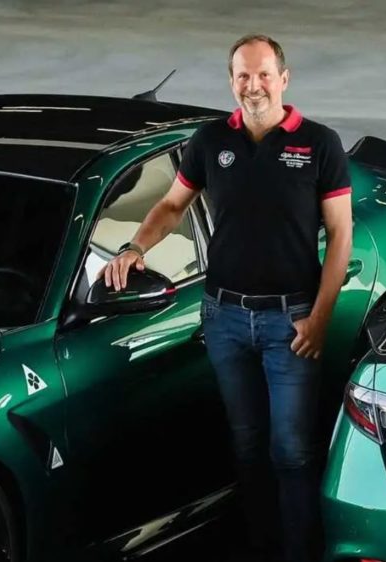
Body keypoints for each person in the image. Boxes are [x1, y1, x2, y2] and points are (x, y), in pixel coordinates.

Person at [102, 33, 353, 562]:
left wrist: (320, 318)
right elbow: (172, 205)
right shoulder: (210, 140)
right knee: (247, 447)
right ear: (231, 81)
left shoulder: (319, 144)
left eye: (264, 75)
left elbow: (341, 234)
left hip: (292, 321)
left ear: (284, 79)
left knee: (291, 451)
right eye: (243, 75)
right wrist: (134, 247)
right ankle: (260, 548)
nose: (253, 85)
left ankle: (300, 552)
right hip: (225, 319)